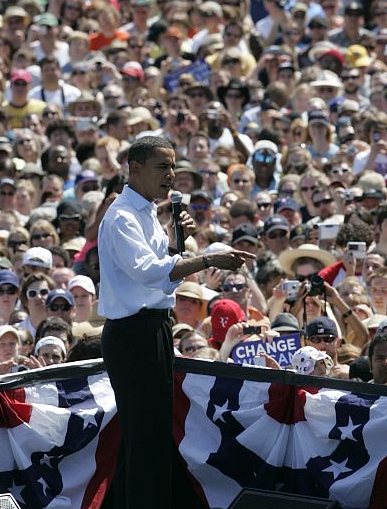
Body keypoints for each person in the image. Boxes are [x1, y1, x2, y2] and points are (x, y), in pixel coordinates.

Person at [98, 135, 253, 509]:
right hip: (133, 335)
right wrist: (209, 259)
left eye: (172, 166)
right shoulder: (121, 216)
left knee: (147, 436)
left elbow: (162, 272)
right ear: (135, 168)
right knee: (145, 438)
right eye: (162, 167)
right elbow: (151, 274)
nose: (171, 175)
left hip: (154, 328)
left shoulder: (149, 213)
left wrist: (176, 242)